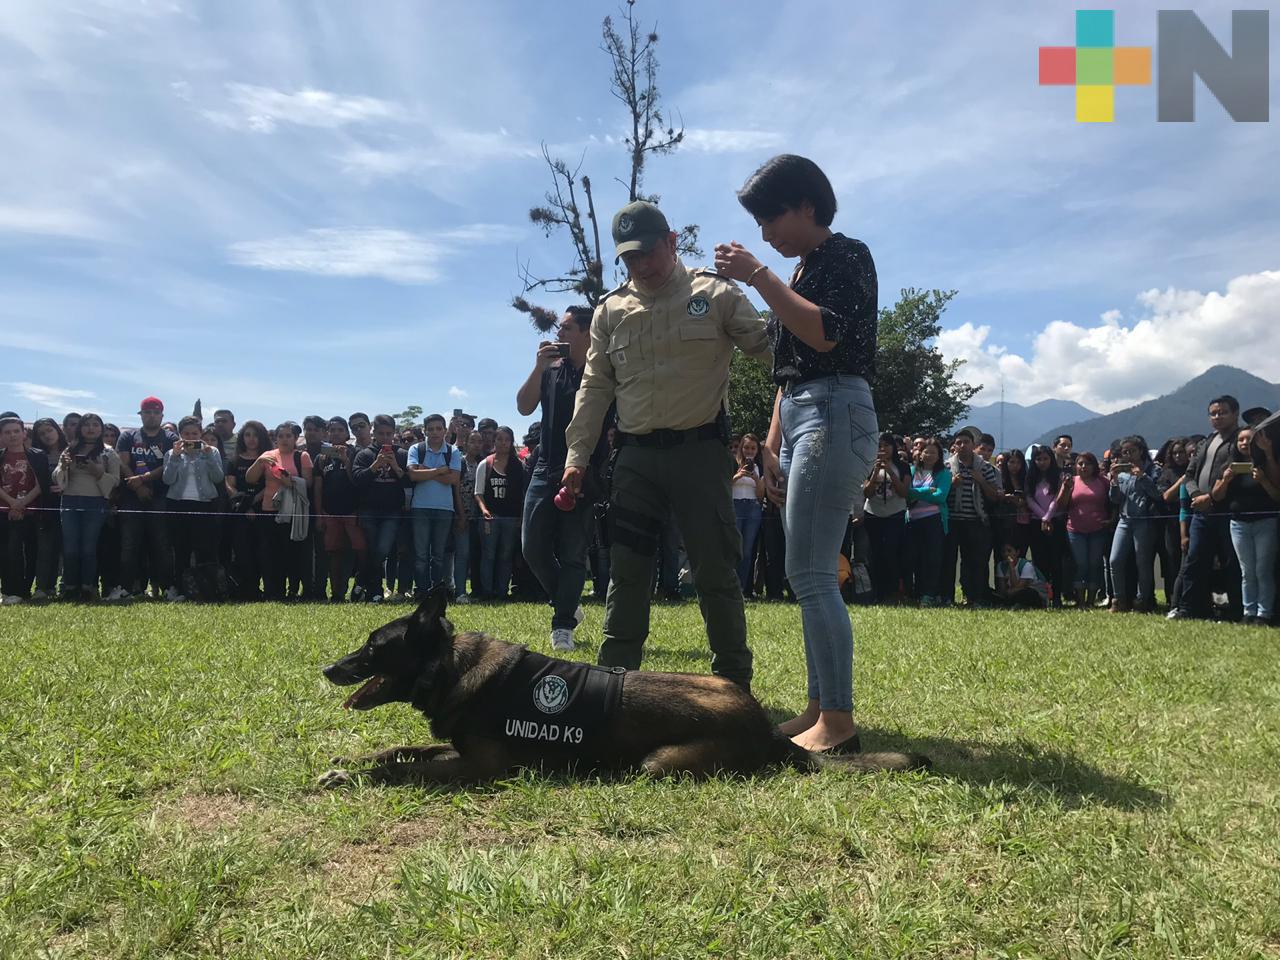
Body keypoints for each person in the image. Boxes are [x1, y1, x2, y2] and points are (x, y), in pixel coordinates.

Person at [562, 197, 771, 693]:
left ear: (673, 242)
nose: (640, 265)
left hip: (699, 454)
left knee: (714, 569)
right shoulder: (610, 311)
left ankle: (733, 685)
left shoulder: (716, 294)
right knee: (627, 572)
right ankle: (615, 687)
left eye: (648, 253)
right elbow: (594, 388)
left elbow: (771, 353)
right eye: (630, 258)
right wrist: (577, 458)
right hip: (634, 459)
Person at [715, 153, 878, 752]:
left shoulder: (845, 255)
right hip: (813, 412)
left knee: (810, 573)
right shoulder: (805, 271)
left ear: (807, 205)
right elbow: (791, 368)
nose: (764, 233)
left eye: (770, 217)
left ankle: (836, 723)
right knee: (807, 571)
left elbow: (824, 334)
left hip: (836, 411)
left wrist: (758, 275)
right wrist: (775, 442)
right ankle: (818, 707)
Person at [517, 306, 608, 650]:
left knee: (573, 552)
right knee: (532, 548)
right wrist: (538, 366)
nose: (559, 334)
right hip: (545, 467)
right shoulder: (550, 369)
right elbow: (524, 407)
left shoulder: (601, 371)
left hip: (585, 469)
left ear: (587, 332)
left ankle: (563, 624)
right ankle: (567, 601)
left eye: (567, 328)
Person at [1175, 396, 1244, 620]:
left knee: (1232, 563)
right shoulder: (1207, 441)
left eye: (1222, 412)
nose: (1217, 417)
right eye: (1213, 413)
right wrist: (1197, 495)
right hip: (1201, 512)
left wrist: (1210, 499)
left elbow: (1232, 474)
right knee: (1195, 561)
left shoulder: (1241, 441)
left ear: (1235, 413)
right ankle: (1189, 609)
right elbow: (1189, 474)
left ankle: (1236, 611)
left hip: (1228, 512)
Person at [113, 397, 179, 601]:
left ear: (161, 415)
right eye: (147, 412)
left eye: (155, 412)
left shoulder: (170, 437)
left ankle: (168, 587)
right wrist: (139, 486)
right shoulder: (128, 436)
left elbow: (169, 464)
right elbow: (123, 464)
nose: (151, 416)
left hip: (160, 495)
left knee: (161, 544)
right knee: (129, 544)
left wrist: (143, 479)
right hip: (131, 496)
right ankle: (126, 587)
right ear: (140, 415)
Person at [1214, 426, 1280, 625]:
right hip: (1238, 523)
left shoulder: (1266, 464)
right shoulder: (1229, 466)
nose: (1244, 443)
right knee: (1247, 571)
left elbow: (1277, 495)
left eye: (1249, 440)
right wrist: (1225, 480)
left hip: (1265, 521)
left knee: (1263, 569)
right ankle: (1248, 611)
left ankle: (1264, 613)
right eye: (1241, 440)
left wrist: (1263, 480)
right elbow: (1217, 496)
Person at [51, 412, 120, 600]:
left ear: (101, 428)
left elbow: (116, 481)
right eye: (86, 424)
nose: (91, 428)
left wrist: (98, 472)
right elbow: (57, 476)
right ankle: (70, 587)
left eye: (95, 425)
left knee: (88, 547)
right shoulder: (70, 449)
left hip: (96, 501)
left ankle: (88, 587)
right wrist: (63, 466)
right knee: (70, 547)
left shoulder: (108, 452)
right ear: (80, 428)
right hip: (70, 501)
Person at [245, 422, 313, 601]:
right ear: (275, 438)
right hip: (268, 511)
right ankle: (273, 591)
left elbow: (309, 483)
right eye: (280, 436)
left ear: (295, 438)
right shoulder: (268, 455)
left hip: (291, 511)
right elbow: (250, 479)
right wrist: (259, 462)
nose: (284, 439)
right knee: (269, 553)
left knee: (291, 553)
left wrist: (290, 481)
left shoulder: (302, 456)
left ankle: (292, 590)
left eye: (288, 436)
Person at [162, 415, 226, 600]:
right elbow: (167, 480)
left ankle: (206, 589)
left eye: (195, 433)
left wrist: (207, 455)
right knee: (181, 549)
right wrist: (174, 457)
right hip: (178, 504)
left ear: (201, 434)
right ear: (180, 434)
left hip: (204, 504)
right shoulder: (171, 453)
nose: (191, 437)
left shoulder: (211, 451)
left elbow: (218, 478)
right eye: (186, 433)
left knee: (205, 549)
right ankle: (182, 590)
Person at [352, 415, 408, 603]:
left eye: (389, 434)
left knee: (382, 550)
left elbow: (409, 481)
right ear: (374, 432)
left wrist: (394, 465)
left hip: (392, 511)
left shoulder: (401, 454)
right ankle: (375, 591)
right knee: (371, 549)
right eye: (381, 433)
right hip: (368, 509)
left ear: (394, 433)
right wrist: (375, 465)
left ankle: (361, 580)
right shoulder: (364, 454)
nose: (385, 438)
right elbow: (357, 480)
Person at [944, 431, 1003, 607]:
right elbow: (938, 494)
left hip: (976, 520)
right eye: (958, 442)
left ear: (972, 444)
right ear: (954, 446)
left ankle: (974, 597)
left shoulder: (984, 467)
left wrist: (981, 481)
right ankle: (948, 597)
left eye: (966, 442)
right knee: (949, 561)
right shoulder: (946, 466)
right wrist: (951, 485)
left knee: (975, 562)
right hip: (952, 520)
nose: (962, 446)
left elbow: (994, 496)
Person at [406, 414, 462, 598]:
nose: (435, 432)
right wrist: (439, 471)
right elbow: (413, 476)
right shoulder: (416, 448)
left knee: (438, 555)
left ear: (445, 430)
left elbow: (453, 479)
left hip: (445, 508)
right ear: (425, 431)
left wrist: (425, 471)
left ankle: (436, 593)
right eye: (431, 429)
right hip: (420, 507)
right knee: (421, 555)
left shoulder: (452, 451)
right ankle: (421, 591)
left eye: (439, 428)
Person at [1, 413, 52, 604]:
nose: (12, 435)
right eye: (7, 432)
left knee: (24, 551)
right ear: (1, 436)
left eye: (16, 431)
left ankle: (21, 591)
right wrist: (11, 502)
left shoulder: (37, 456)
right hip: (4, 509)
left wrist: (21, 504)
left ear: (24, 433)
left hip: (29, 511)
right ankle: (7, 591)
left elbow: (41, 485)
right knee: (5, 551)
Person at [314, 417, 366, 602]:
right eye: (332, 430)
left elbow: (358, 482)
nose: (335, 433)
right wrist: (320, 513)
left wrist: (346, 461)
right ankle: (337, 593)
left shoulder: (357, 453)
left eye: (339, 430)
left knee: (361, 551)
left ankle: (360, 590)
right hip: (330, 512)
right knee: (335, 553)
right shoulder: (321, 457)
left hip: (353, 511)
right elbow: (318, 487)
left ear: (347, 433)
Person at [1106, 436, 1160, 613]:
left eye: (1132, 451)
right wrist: (1113, 481)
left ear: (1141, 451)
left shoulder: (1152, 470)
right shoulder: (1122, 473)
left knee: (1142, 562)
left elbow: (1158, 495)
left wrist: (1143, 477)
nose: (1128, 455)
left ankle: (1142, 600)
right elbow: (1115, 499)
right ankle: (1119, 598)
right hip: (1124, 520)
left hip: (1143, 521)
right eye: (1125, 452)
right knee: (1115, 560)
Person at [474, 426, 525, 600]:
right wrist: (484, 510)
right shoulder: (486, 464)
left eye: (507, 440)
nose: (503, 443)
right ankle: (487, 592)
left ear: (511, 442)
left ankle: (502, 591)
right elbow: (478, 492)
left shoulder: (518, 466)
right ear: (494, 441)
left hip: (511, 518)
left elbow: (522, 494)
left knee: (506, 555)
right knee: (488, 554)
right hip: (490, 517)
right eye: (500, 439)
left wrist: (521, 516)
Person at [226, 420, 272, 599]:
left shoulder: (268, 458)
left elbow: (269, 484)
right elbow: (229, 485)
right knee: (242, 551)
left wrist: (253, 503)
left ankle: (265, 590)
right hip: (239, 511)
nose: (251, 439)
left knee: (264, 551)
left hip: (264, 509)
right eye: (247, 435)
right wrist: (244, 506)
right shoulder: (234, 460)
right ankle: (247, 589)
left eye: (255, 435)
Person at [862, 433, 909, 603]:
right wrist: (875, 472)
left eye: (887, 445)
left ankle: (893, 592)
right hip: (873, 514)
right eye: (879, 445)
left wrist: (890, 471)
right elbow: (867, 493)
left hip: (895, 514)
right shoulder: (868, 465)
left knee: (891, 552)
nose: (883, 449)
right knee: (874, 553)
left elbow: (904, 492)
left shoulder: (902, 466)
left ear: (893, 448)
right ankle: (876, 592)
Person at [1059, 451, 1110, 606]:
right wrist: (1066, 489)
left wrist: (1112, 519)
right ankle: (1080, 600)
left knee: (1095, 563)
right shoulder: (1071, 481)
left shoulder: (1103, 481)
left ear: (1094, 466)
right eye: (1080, 463)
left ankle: (1091, 600)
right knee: (1081, 564)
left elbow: (1113, 501)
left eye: (1087, 463)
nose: (1083, 467)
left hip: (1098, 529)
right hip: (1075, 530)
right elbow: (1061, 504)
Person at [905, 437, 951, 607]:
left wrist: (914, 492)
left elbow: (940, 496)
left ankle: (929, 594)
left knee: (932, 558)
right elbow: (905, 493)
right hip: (912, 520)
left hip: (934, 520)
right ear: (920, 454)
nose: (930, 455)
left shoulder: (944, 473)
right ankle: (916, 593)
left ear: (940, 455)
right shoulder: (911, 471)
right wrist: (926, 491)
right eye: (926, 451)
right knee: (913, 557)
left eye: (934, 452)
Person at [30, 418, 68, 600]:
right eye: (42, 434)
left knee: (67, 548)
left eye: (49, 430)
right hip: (44, 504)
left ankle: (66, 587)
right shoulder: (36, 454)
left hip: (69, 503)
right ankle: (43, 587)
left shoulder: (71, 450)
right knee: (46, 548)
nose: (47, 435)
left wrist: (66, 487)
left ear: (57, 430)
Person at [1025, 445, 1066, 608]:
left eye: (1045, 459)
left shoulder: (1059, 476)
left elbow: (1058, 498)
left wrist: (1047, 518)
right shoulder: (1030, 477)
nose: (1042, 462)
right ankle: (1042, 597)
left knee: (1056, 561)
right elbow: (1029, 499)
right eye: (1038, 459)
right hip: (1036, 524)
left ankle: (1057, 598)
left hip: (1055, 522)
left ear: (1051, 459)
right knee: (1039, 561)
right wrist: (1043, 518)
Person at [732, 433, 767, 598]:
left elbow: (761, 495)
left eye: (753, 448)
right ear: (741, 448)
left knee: (747, 551)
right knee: (734, 549)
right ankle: (729, 587)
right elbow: (724, 486)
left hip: (753, 508)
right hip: (735, 506)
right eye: (746, 447)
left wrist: (755, 478)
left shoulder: (759, 466)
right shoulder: (733, 463)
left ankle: (741, 588)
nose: (749, 451)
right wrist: (738, 475)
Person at [995, 448, 1032, 557]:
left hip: (1024, 524)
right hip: (1005, 524)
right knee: (1003, 557)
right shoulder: (1000, 479)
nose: (1015, 465)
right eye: (1011, 462)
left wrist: (1022, 502)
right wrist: (1006, 498)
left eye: (1018, 462)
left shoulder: (1026, 480)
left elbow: (1031, 499)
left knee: (1021, 555)